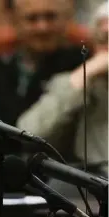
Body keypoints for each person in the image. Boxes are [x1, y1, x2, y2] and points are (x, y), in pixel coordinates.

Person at [0, 0, 87, 159]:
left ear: (66, 18)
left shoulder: (83, 66)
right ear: (15, 21)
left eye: (50, 17)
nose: (42, 27)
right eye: (32, 19)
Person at [17, 1, 108, 174]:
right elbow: (27, 133)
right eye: (105, 39)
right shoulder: (80, 83)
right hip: (97, 189)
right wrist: (83, 75)